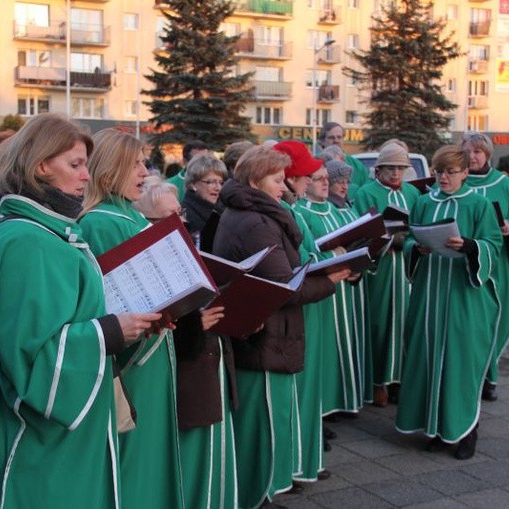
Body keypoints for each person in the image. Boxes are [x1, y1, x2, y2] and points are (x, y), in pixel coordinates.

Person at [0, 113, 160, 507]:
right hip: (39, 436)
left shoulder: (44, 231)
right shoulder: (27, 240)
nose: (86, 176)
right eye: (75, 164)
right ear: (40, 166)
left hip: (70, 426)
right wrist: (109, 331)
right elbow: (29, 356)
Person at [213, 144, 347, 508]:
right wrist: (331, 278)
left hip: (261, 332)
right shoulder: (257, 221)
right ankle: (258, 497)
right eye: (276, 179)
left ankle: (259, 493)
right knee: (265, 424)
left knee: (262, 422)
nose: (284, 186)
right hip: (266, 335)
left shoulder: (246, 211)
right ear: (256, 181)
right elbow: (282, 289)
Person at [79, 128, 185, 509]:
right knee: (135, 454)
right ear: (109, 170)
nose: (145, 170)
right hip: (133, 356)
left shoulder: (127, 214)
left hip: (153, 346)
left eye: (144, 162)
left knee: (151, 449)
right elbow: (113, 298)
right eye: (135, 163)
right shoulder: (102, 220)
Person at [134, 178, 238, 509]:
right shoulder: (147, 256)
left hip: (207, 358)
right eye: (169, 216)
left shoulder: (181, 245)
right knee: (188, 457)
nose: (180, 222)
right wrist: (193, 323)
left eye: (180, 213)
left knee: (211, 452)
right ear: (147, 222)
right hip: (183, 370)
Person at [396, 145, 502, 460]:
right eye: (439, 171)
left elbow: (493, 246)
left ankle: (467, 432)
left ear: (465, 173)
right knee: (428, 362)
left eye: (451, 172)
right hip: (429, 296)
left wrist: (470, 246)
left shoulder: (479, 205)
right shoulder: (424, 202)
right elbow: (410, 238)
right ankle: (438, 429)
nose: (443, 177)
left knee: (460, 364)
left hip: (462, 298)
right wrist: (417, 249)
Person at [274, 140, 350, 486]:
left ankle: (302, 461)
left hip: (305, 307)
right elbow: (295, 264)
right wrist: (331, 259)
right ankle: (293, 466)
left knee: (306, 390)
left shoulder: (288, 210)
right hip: (291, 313)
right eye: (305, 175)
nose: (309, 181)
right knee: (297, 392)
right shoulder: (285, 211)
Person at [461, 132, 509, 401]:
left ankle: (490, 376)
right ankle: (466, 377)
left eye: (478, 152)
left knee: (494, 321)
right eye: (468, 152)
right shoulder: (456, 183)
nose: (472, 157)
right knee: (469, 323)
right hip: (466, 264)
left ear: (488, 155)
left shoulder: (504, 185)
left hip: (498, 266)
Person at [295, 159, 370, 421]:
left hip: (344, 293)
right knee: (320, 352)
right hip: (318, 295)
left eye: (327, 177)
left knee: (340, 348)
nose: (326, 182)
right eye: (318, 178)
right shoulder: (299, 213)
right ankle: (318, 411)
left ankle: (339, 401)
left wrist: (357, 268)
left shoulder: (340, 211)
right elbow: (303, 257)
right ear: (304, 182)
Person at [353, 143, 421, 407]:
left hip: (406, 269)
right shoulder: (366, 193)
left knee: (406, 323)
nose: (395, 174)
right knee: (379, 323)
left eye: (400, 168)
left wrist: (413, 241)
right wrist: (385, 241)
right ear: (378, 169)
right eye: (390, 168)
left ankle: (401, 381)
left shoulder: (413, 193)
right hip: (379, 270)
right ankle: (377, 381)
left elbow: (421, 227)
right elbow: (359, 231)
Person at [319, 122, 371, 198]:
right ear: (323, 141)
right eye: (331, 137)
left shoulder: (357, 165)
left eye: (339, 137)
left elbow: (366, 191)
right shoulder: (316, 164)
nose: (336, 140)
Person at [182, 154, 226, 235]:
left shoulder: (222, 208)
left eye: (221, 182)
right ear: (193, 184)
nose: (218, 188)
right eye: (211, 182)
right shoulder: (185, 216)